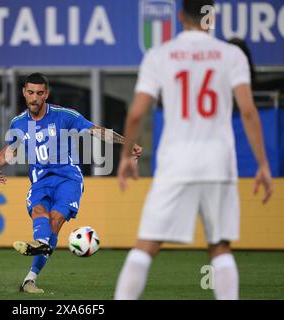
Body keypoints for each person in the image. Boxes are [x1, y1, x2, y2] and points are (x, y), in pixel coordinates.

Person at [114, 0, 273, 300]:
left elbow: (136, 114)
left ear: (179, 16)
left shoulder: (159, 55)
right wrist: (263, 164)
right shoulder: (232, 55)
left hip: (176, 162)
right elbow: (249, 111)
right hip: (218, 162)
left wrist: (125, 158)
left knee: (146, 245)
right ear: (211, 16)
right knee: (220, 247)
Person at [0, 73, 142, 294]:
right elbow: (11, 150)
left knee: (55, 219)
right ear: (24, 92)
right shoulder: (18, 123)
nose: (34, 98)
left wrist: (127, 144)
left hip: (68, 178)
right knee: (39, 211)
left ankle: (31, 273)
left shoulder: (64, 116)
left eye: (39, 93)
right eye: (30, 92)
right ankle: (36, 258)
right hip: (40, 181)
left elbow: (97, 132)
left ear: (46, 94)